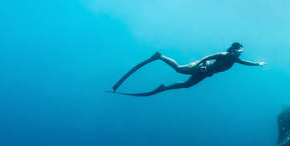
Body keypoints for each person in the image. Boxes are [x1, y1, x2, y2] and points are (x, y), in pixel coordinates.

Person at [109, 42, 266, 97]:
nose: (241, 53)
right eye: (239, 51)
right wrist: (200, 64)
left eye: (241, 52)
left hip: (205, 74)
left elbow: (247, 63)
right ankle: (160, 56)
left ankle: (164, 88)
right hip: (199, 68)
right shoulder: (223, 54)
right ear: (234, 49)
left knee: (187, 85)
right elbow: (207, 57)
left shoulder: (235, 59)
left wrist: (257, 64)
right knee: (178, 69)